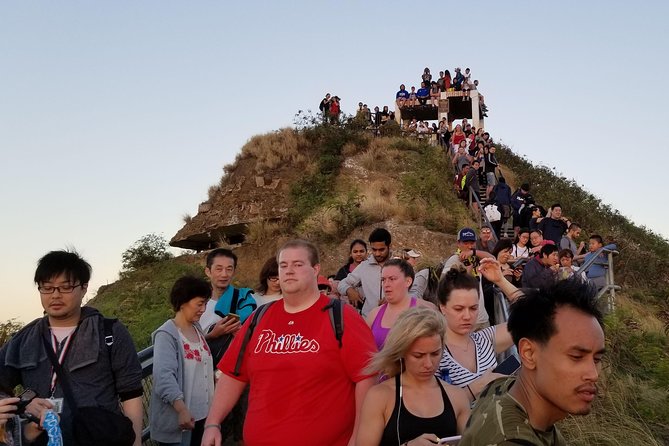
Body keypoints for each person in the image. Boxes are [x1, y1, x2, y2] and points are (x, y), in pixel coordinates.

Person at [201, 240, 378, 446]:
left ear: (315, 269)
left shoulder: (341, 316)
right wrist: (212, 423)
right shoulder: (259, 318)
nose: (289, 271)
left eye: (298, 264)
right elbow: (233, 375)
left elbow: (367, 380)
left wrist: (359, 439)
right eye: (283, 265)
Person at [0, 250, 143, 446]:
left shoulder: (109, 332)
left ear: (84, 288)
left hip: (101, 438)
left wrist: (135, 442)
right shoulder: (23, 339)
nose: (55, 295)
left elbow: (131, 394)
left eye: (65, 287)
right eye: (47, 288)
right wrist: (21, 403)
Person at [460, 279, 605, 446]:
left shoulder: (502, 388)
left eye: (597, 359)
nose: (593, 374)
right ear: (528, 354)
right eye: (576, 357)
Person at [357, 307, 470, 446]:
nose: (429, 364)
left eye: (435, 354)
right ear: (402, 353)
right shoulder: (380, 396)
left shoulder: (456, 396)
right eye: (418, 356)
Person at [437, 261, 517, 401]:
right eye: (458, 309)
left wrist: (501, 280)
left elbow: (534, 316)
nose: (467, 316)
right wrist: (475, 388)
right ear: (442, 307)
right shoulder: (433, 353)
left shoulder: (485, 339)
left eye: (473, 308)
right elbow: (431, 410)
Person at [150, 276, 215, 446]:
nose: (203, 309)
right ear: (183, 302)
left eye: (205, 304)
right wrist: (182, 409)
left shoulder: (197, 328)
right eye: (199, 304)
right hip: (183, 420)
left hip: (203, 416)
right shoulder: (166, 334)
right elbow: (164, 377)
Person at [201, 248, 254, 444]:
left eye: (229, 269)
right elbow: (187, 341)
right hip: (206, 376)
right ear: (208, 271)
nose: (224, 274)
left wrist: (240, 333)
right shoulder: (198, 304)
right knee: (215, 427)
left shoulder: (245, 299)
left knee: (243, 426)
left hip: (240, 372)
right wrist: (214, 334)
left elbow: (254, 335)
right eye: (219, 269)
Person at [366, 259, 434, 349]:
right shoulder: (373, 315)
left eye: (392, 279)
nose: (386, 284)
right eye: (383, 280)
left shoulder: (427, 310)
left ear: (408, 281)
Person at [439, 228, 493, 328]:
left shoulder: (475, 258)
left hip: (482, 317)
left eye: (472, 242)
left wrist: (474, 253)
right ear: (458, 243)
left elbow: (492, 258)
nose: (469, 246)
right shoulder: (454, 259)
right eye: (466, 243)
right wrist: (467, 271)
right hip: (465, 319)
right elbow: (444, 286)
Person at [338, 228, 393, 317]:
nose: (377, 254)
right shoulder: (364, 266)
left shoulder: (399, 265)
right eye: (374, 250)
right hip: (369, 319)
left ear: (389, 246)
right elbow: (342, 283)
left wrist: (394, 298)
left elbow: (413, 290)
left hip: (394, 319)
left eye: (381, 250)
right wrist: (349, 290)